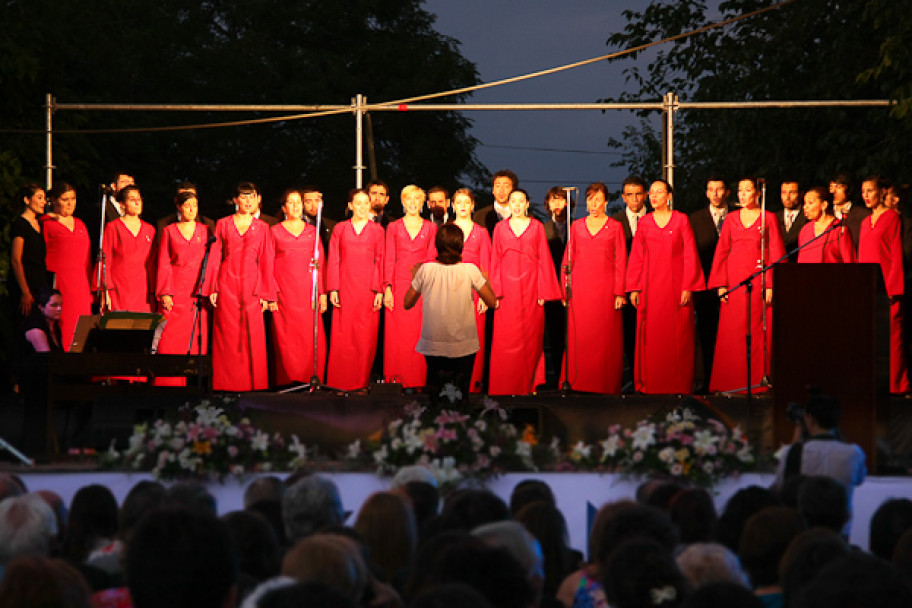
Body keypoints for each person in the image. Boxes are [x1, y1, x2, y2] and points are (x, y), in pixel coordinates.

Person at [404, 223, 497, 404]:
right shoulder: (470, 270)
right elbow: (492, 302)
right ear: (460, 245)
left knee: (435, 395)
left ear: (437, 245)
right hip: (463, 343)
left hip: (434, 342)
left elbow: (407, 303)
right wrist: (485, 280)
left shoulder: (426, 269)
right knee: (460, 396)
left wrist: (414, 278)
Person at [708, 177, 785, 393]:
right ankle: (730, 382)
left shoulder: (767, 218)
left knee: (759, 330)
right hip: (734, 281)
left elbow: (777, 252)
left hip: (758, 279)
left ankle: (759, 381)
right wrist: (721, 284)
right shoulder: (731, 219)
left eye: (747, 190)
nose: (742, 194)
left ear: (757, 193)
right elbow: (722, 251)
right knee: (732, 332)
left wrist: (771, 284)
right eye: (740, 190)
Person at [627, 180, 704, 394]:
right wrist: (634, 287)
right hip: (650, 288)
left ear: (669, 196)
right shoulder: (644, 222)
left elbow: (690, 254)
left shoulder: (681, 220)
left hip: (676, 287)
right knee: (652, 339)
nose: (653, 196)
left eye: (659, 192)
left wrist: (688, 286)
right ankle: (651, 385)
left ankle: (679, 385)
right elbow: (637, 256)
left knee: (679, 337)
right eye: (651, 193)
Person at [488, 188, 561, 395]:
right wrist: (496, 293)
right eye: (514, 201)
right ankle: (503, 386)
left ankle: (530, 384)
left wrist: (543, 292)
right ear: (509, 205)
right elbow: (495, 261)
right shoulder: (500, 228)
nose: (517, 205)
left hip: (531, 288)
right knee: (505, 340)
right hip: (506, 290)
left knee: (530, 338)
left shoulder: (537, 227)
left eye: (521, 201)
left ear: (527, 204)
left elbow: (544, 260)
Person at [208, 182, 277, 392]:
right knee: (227, 336)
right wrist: (212, 287)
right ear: (235, 200)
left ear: (257, 199)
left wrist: (267, 293)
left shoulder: (263, 227)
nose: (248, 201)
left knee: (252, 336)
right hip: (227, 281)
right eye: (243, 197)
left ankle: (254, 385)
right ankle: (225, 385)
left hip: (252, 284)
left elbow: (267, 260)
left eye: (251, 197)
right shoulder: (223, 224)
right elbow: (215, 257)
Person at [560, 182, 627, 394]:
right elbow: (567, 260)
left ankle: (604, 385)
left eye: (598, 199)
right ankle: (577, 383)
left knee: (604, 340)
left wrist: (619, 292)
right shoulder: (577, 226)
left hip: (606, 291)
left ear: (606, 202)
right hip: (580, 290)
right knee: (580, 338)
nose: (594, 203)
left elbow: (620, 262)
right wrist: (565, 288)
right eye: (590, 199)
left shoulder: (615, 226)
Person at [773, 391, 866, 537]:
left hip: (802, 533)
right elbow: (859, 479)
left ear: (809, 419)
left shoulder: (791, 452)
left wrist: (795, 441)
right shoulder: (854, 453)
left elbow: (782, 486)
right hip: (840, 531)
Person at [326, 189, 385, 392]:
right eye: (357, 203)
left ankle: (361, 383)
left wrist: (379, 290)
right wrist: (333, 288)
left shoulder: (377, 230)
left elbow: (380, 260)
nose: (362, 207)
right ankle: (338, 383)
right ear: (350, 205)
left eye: (365, 203)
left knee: (364, 337)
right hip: (345, 287)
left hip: (367, 290)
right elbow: (333, 258)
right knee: (342, 336)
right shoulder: (340, 229)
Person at [858, 175, 909, 394]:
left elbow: (896, 254)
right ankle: (874, 383)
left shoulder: (891, 218)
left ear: (881, 192)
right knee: (870, 338)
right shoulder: (864, 221)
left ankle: (898, 385)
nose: (866, 196)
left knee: (893, 338)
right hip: (869, 286)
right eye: (863, 192)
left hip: (888, 286)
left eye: (870, 191)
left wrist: (893, 288)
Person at [271, 189, 327, 385]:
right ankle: (288, 381)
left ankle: (311, 381)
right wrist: (270, 294)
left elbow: (321, 265)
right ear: (284, 207)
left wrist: (322, 294)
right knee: (287, 340)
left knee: (310, 338)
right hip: (284, 294)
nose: (295, 206)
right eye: (291, 203)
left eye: (298, 202)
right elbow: (267, 264)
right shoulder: (275, 231)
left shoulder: (312, 231)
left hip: (308, 293)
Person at [383, 185, 438, 389]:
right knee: (397, 336)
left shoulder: (431, 228)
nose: (413, 202)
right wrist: (387, 287)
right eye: (409, 199)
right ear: (403, 202)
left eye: (417, 199)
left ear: (422, 203)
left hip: (423, 288)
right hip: (399, 286)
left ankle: (418, 382)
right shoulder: (394, 227)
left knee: (420, 334)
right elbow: (389, 258)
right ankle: (395, 380)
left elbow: (433, 258)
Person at [155, 191, 214, 366]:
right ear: (179, 207)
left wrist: (209, 289)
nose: (191, 209)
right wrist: (165, 292)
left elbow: (212, 261)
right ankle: (169, 383)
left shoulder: (206, 230)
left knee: (196, 340)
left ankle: (194, 384)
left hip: (197, 292)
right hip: (176, 290)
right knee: (170, 339)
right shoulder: (169, 231)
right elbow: (164, 262)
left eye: (195, 205)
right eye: (187, 205)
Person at [689, 177, 734, 393]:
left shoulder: (736, 217)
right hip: (706, 287)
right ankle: (706, 382)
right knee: (706, 336)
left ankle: (730, 380)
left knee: (732, 336)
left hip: (734, 284)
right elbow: (691, 255)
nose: (715, 193)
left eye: (719, 189)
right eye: (711, 190)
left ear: (727, 192)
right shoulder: (695, 219)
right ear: (706, 193)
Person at [451, 188, 492, 393]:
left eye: (466, 202)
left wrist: (484, 295)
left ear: (473, 205)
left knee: (474, 338)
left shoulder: (482, 232)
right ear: (453, 205)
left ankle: (474, 384)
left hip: (475, 291)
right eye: (459, 202)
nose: (463, 206)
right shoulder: (445, 230)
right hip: (449, 289)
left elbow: (486, 266)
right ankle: (450, 385)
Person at [42, 183, 92, 350]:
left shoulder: (80, 225)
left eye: (73, 199)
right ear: (54, 201)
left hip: (81, 286)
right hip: (60, 283)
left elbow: (87, 259)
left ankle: (81, 369)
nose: (70, 203)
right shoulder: (47, 223)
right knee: (62, 326)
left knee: (82, 328)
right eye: (65, 200)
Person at [16, 289, 64, 461]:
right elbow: (47, 360)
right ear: (41, 307)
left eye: (61, 305)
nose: (59, 309)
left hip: (49, 380)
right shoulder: (36, 330)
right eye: (54, 305)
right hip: (36, 384)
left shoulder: (55, 329)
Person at [613, 176, 649, 388]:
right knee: (627, 337)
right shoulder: (614, 222)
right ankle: (631, 383)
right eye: (630, 195)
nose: (635, 199)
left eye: (638, 194)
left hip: (652, 286)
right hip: (624, 289)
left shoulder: (656, 218)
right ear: (623, 197)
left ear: (645, 195)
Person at [98, 184, 156, 312]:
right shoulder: (113, 227)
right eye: (132, 199)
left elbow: (152, 263)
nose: (137, 202)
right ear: (122, 204)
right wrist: (105, 291)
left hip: (143, 290)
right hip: (120, 289)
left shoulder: (149, 230)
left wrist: (153, 292)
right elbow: (105, 261)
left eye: (139, 199)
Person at [9, 183, 50, 320]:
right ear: (27, 200)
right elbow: (16, 260)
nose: (43, 202)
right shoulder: (20, 224)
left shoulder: (40, 225)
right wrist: (25, 291)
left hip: (40, 282)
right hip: (26, 283)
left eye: (44, 198)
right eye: (39, 198)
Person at [543, 186, 571, 388]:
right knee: (554, 335)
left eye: (561, 200)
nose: (557, 204)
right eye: (553, 200)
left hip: (574, 288)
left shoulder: (576, 227)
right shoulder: (542, 229)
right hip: (550, 287)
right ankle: (554, 379)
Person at [796, 187, 855, 263]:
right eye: (804, 203)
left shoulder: (839, 230)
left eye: (810, 203)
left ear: (824, 205)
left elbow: (849, 261)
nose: (805, 207)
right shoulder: (805, 230)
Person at [830, 172, 870, 252]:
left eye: (838, 187)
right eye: (831, 187)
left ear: (848, 190)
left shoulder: (863, 215)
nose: (833, 191)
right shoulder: (825, 214)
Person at [473, 169, 518, 237]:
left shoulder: (523, 216)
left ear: (514, 190)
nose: (501, 190)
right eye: (497, 186)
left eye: (506, 186)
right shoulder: (480, 216)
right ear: (493, 190)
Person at [777, 180, 807, 262]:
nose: (787, 197)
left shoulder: (807, 217)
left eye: (792, 193)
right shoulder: (775, 217)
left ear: (801, 194)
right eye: (784, 192)